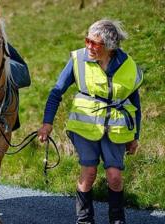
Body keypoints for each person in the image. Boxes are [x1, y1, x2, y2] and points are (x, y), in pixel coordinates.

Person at [38, 19, 143, 224]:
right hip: (84, 127)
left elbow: (135, 103)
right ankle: (84, 220)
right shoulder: (78, 59)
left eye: (95, 43)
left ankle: (117, 220)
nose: (89, 47)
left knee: (114, 176)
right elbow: (56, 93)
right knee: (89, 172)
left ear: (110, 47)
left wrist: (135, 136)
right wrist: (47, 123)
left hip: (117, 128)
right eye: (87, 41)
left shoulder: (128, 65)